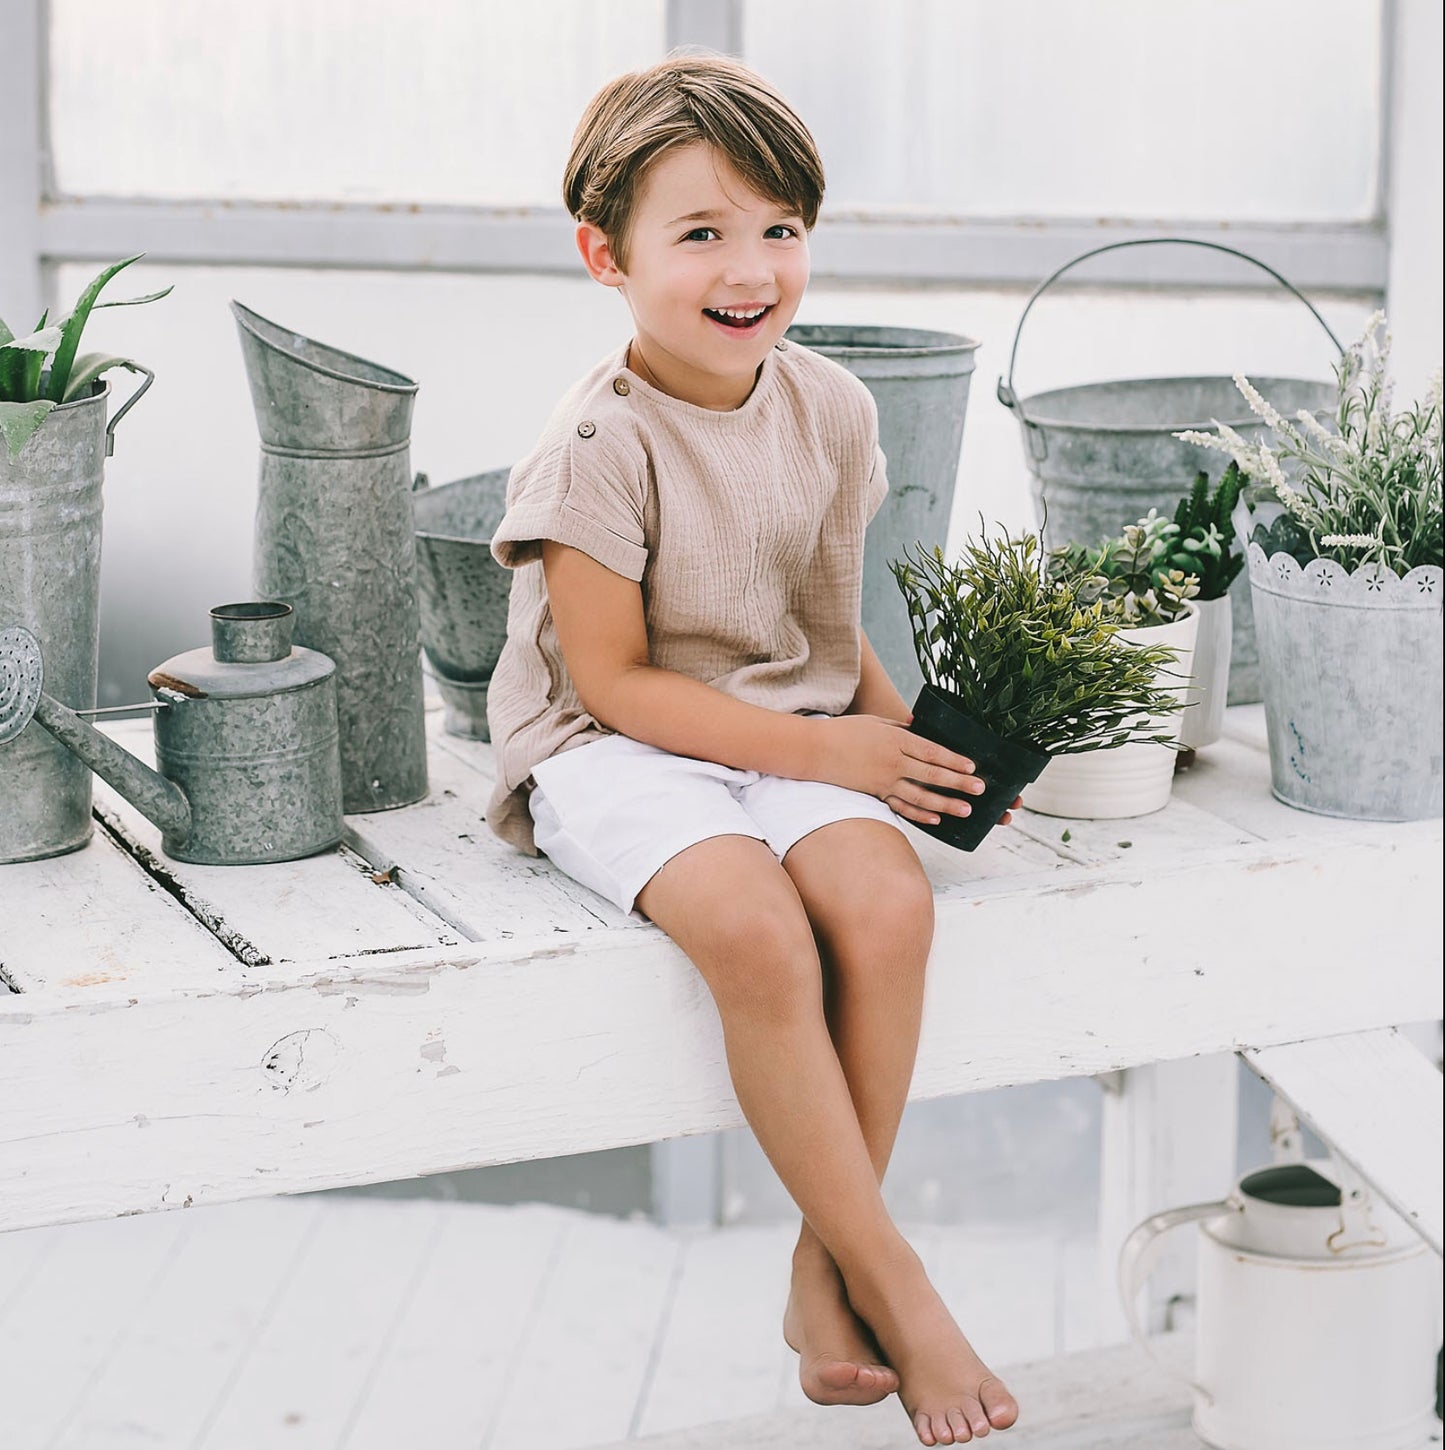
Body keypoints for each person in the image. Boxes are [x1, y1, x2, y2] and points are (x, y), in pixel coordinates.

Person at [484, 52, 1022, 1447]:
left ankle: (816, 1262)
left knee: (885, 900)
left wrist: (907, 752)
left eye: (780, 228)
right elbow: (608, 682)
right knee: (758, 932)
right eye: (703, 231)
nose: (752, 267)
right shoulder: (597, 441)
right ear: (605, 254)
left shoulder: (833, 409)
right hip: (614, 743)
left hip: (782, 723)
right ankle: (890, 1272)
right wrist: (830, 754)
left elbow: (825, 631)